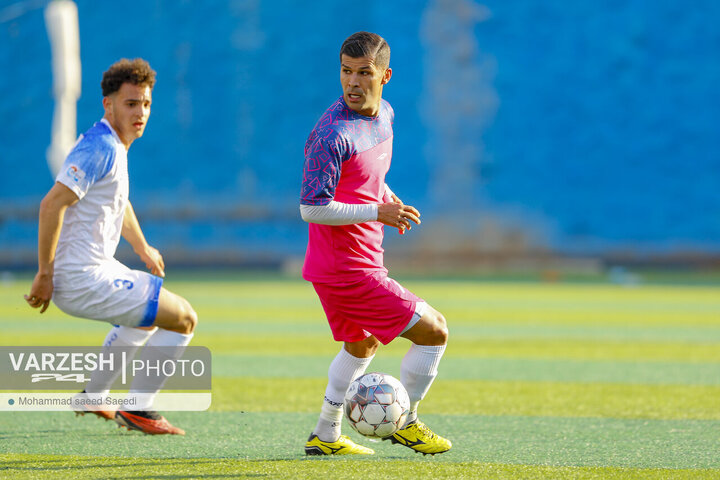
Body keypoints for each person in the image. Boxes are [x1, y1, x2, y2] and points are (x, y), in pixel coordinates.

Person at [25, 58, 197, 435]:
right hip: (80, 277)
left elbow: (118, 201)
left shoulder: (113, 146)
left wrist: (142, 247)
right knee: (184, 318)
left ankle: (95, 394)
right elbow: (51, 204)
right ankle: (139, 409)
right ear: (109, 104)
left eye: (146, 104)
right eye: (131, 104)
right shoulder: (100, 147)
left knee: (147, 319)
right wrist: (45, 273)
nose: (141, 113)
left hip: (95, 269)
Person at [300, 32, 452, 456]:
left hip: (353, 261)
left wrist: (387, 198)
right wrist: (375, 212)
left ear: (385, 76)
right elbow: (311, 209)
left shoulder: (384, 114)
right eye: (346, 72)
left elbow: (369, 180)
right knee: (434, 331)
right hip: (346, 269)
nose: (353, 82)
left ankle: (325, 435)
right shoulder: (329, 135)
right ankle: (408, 422)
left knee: (362, 343)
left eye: (364, 73)